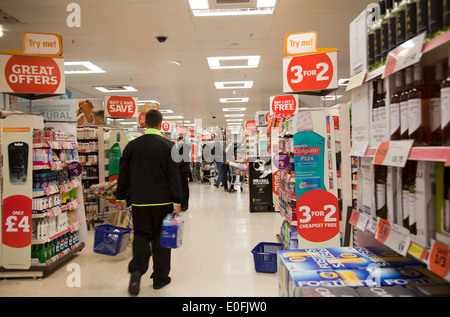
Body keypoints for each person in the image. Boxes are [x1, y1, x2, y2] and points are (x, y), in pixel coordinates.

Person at [115, 109, 182, 296]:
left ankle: (137, 270)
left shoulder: (132, 146)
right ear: (161, 124)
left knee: (142, 236)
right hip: (163, 201)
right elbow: (173, 176)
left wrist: (120, 196)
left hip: (140, 201)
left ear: (144, 123)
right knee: (162, 238)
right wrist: (177, 200)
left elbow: (124, 174)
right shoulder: (169, 146)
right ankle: (160, 278)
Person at [176, 136, 191, 211]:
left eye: (178, 140)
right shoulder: (183, 148)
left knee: (183, 188)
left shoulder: (183, 148)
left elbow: (182, 160)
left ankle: (184, 205)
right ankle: (184, 204)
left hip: (183, 171)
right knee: (184, 188)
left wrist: (175, 164)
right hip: (183, 170)